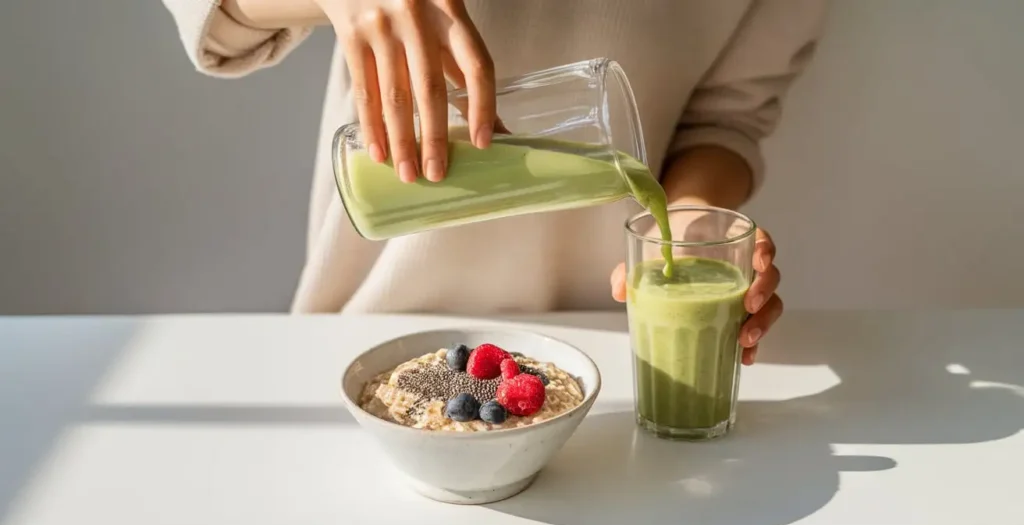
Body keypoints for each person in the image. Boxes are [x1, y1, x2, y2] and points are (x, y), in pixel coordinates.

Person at [161, 0, 826, 365]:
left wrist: (690, 222)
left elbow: (727, 117)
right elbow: (215, 17)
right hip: (368, 340)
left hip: (613, 360)